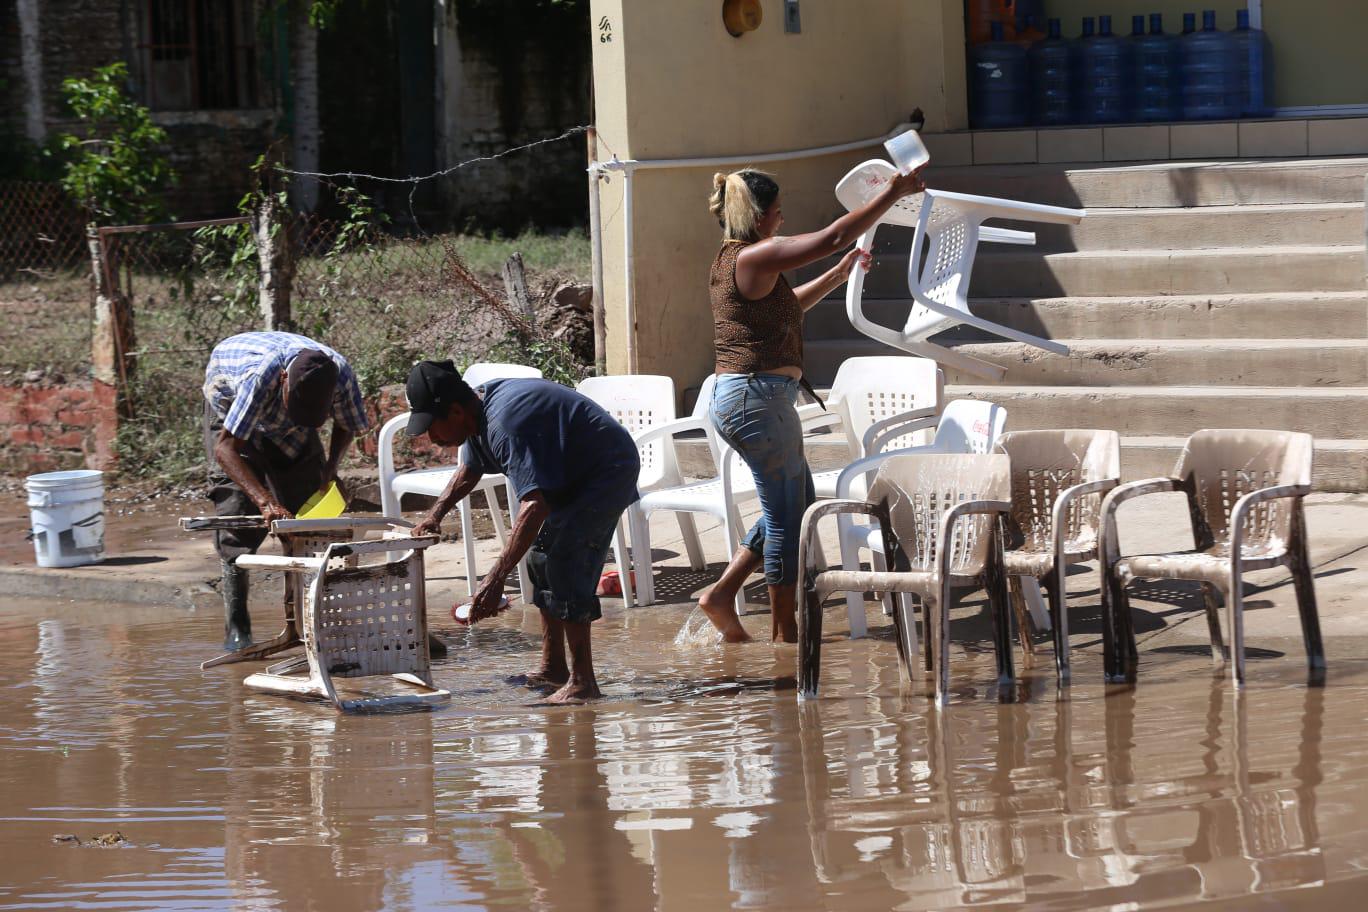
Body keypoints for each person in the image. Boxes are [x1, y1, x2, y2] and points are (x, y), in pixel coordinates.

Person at [698, 165, 925, 643]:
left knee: (793, 507)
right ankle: (786, 634)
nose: (782, 220)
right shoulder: (757, 256)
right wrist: (893, 192)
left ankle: (722, 595)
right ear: (759, 217)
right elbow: (834, 235)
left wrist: (837, 276)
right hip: (754, 400)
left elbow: (787, 308)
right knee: (784, 518)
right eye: (777, 213)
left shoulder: (736, 260)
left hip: (750, 399)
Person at [405, 361, 640, 704]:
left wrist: (495, 577)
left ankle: (583, 682)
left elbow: (534, 505)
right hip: (568, 471)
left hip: (605, 469)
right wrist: (435, 515)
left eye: (433, 427)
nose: (433, 438)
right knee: (538, 560)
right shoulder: (475, 416)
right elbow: (470, 470)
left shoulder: (504, 423)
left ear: (455, 410)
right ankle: (553, 667)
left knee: (566, 562)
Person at [202, 331, 368, 651]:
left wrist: (330, 468)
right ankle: (238, 630)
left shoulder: (341, 376)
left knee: (310, 519)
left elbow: (347, 423)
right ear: (283, 381)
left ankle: (310, 622)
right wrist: (265, 501)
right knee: (236, 516)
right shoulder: (258, 376)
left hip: (292, 433)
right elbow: (226, 450)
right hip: (232, 422)